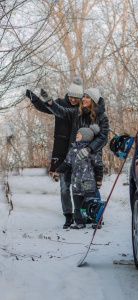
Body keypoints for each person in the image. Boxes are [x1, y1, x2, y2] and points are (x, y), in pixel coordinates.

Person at [25, 77, 84, 229]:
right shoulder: (60, 104)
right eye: (71, 96)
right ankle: (68, 215)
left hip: (77, 149)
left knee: (79, 185)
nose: (73, 99)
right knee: (64, 186)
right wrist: (34, 99)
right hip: (61, 149)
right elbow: (46, 107)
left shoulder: (82, 108)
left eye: (76, 98)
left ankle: (82, 213)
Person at [53, 124, 103, 229]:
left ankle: (96, 220)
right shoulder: (73, 150)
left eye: (79, 134)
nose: (77, 134)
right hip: (76, 183)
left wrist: (99, 179)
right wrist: (58, 171)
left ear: (85, 136)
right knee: (78, 205)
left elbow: (98, 165)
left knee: (91, 203)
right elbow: (67, 163)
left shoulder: (91, 151)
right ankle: (79, 222)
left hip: (88, 182)